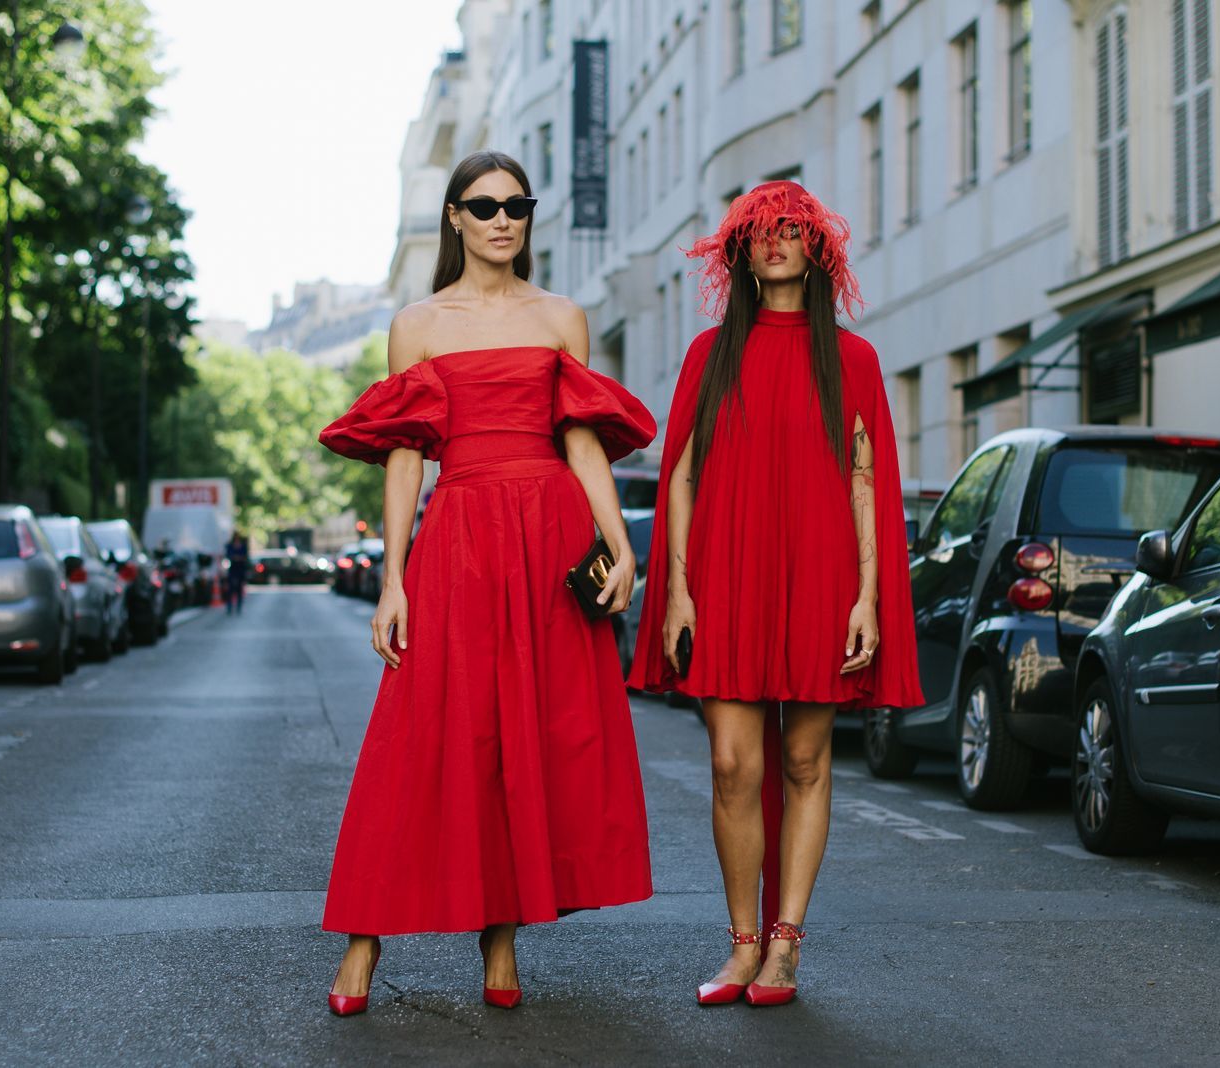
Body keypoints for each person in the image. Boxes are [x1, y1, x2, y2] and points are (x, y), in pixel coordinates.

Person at [315, 150, 656, 1016]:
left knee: (529, 737)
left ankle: (501, 941)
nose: (504, 218)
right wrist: (392, 579)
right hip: (460, 536)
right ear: (456, 219)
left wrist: (619, 545)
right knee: (420, 734)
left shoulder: (561, 317)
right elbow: (401, 460)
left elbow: (582, 441)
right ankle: (362, 941)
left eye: (517, 205)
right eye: (484, 205)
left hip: (548, 538)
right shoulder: (419, 324)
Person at [629, 181, 923, 1007]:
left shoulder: (854, 360)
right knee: (730, 764)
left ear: (817, 247)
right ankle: (740, 944)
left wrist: (867, 596)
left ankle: (786, 945)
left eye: (793, 229)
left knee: (803, 759)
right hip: (724, 575)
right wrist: (678, 589)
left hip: (821, 577)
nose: (777, 241)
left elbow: (865, 483)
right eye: (760, 231)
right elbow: (681, 476)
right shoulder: (706, 356)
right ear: (741, 251)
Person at [223, 532, 249, 614]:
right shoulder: (230, 546)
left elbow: (245, 557)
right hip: (232, 570)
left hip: (240, 570)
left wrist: (238, 558)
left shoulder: (243, 546)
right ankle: (229, 607)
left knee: (239, 590)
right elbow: (228, 555)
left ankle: (238, 607)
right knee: (230, 589)